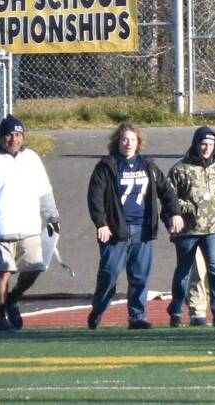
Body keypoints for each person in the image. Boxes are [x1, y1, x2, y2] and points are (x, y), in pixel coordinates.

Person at [0, 115, 59, 333]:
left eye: (17, 135)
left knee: (35, 268)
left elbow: (44, 191)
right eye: (9, 135)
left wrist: (52, 216)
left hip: (29, 226)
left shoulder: (32, 158)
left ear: (23, 137)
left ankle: (13, 299)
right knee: (4, 271)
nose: (13, 139)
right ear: (1, 137)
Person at [86, 121, 183, 330]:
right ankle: (98, 309)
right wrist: (101, 223)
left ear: (138, 142)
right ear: (117, 142)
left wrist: (174, 213)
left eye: (132, 139)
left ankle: (137, 317)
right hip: (115, 231)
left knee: (140, 276)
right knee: (109, 273)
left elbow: (166, 191)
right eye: (124, 139)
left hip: (143, 229)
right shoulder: (107, 166)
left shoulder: (148, 166)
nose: (128, 143)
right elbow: (95, 197)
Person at [167, 126, 215, 327]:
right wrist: (186, 208)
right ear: (196, 144)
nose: (207, 148)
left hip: (213, 228)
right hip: (188, 230)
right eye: (203, 144)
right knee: (185, 271)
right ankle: (177, 309)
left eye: (211, 144)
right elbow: (169, 197)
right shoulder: (181, 168)